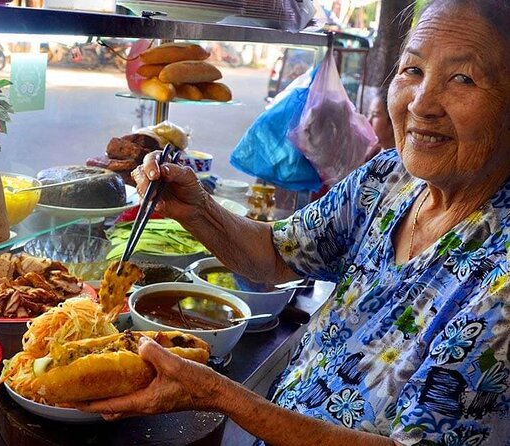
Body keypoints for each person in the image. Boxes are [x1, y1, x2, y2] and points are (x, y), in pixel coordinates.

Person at [78, 0, 510, 444]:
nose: (422, 104)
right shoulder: (391, 177)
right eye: (412, 70)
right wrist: (198, 209)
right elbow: (277, 254)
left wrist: (220, 395)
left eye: (463, 78)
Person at [365, 87, 396, 160]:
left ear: (392, 121)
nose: (368, 121)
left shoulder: (398, 162)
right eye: (369, 114)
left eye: (375, 115)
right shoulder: (374, 152)